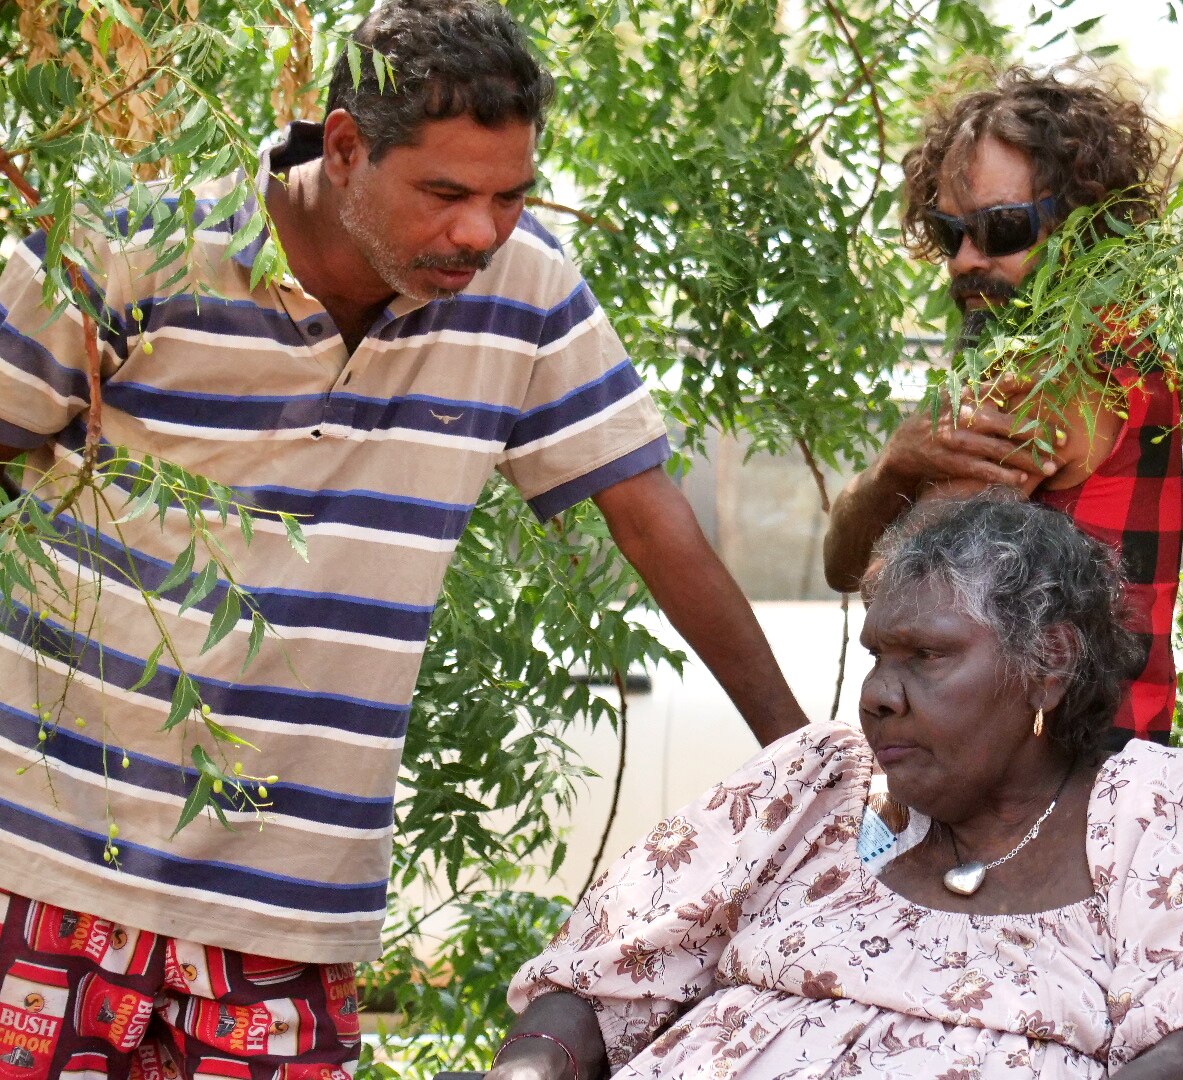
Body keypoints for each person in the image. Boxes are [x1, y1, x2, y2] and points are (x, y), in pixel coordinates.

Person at [0, 1, 807, 1076]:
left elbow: (653, 523)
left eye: (509, 196)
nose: (480, 230)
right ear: (344, 148)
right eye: (446, 193)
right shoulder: (133, 241)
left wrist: (813, 773)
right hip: (43, 864)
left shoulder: (526, 294)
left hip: (289, 904)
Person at [499, 495, 1183, 1080]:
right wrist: (531, 1070)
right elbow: (603, 970)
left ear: (1049, 662)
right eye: (879, 655)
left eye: (925, 656)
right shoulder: (812, 789)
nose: (880, 691)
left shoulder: (1156, 807)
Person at [823, 66, 1183, 750]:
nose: (964, 261)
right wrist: (894, 470)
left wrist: (894, 475)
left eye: (1003, 228)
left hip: (1041, 799)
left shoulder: (1042, 375)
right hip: (1125, 775)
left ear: (1084, 228)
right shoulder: (1139, 348)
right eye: (949, 230)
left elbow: (881, 595)